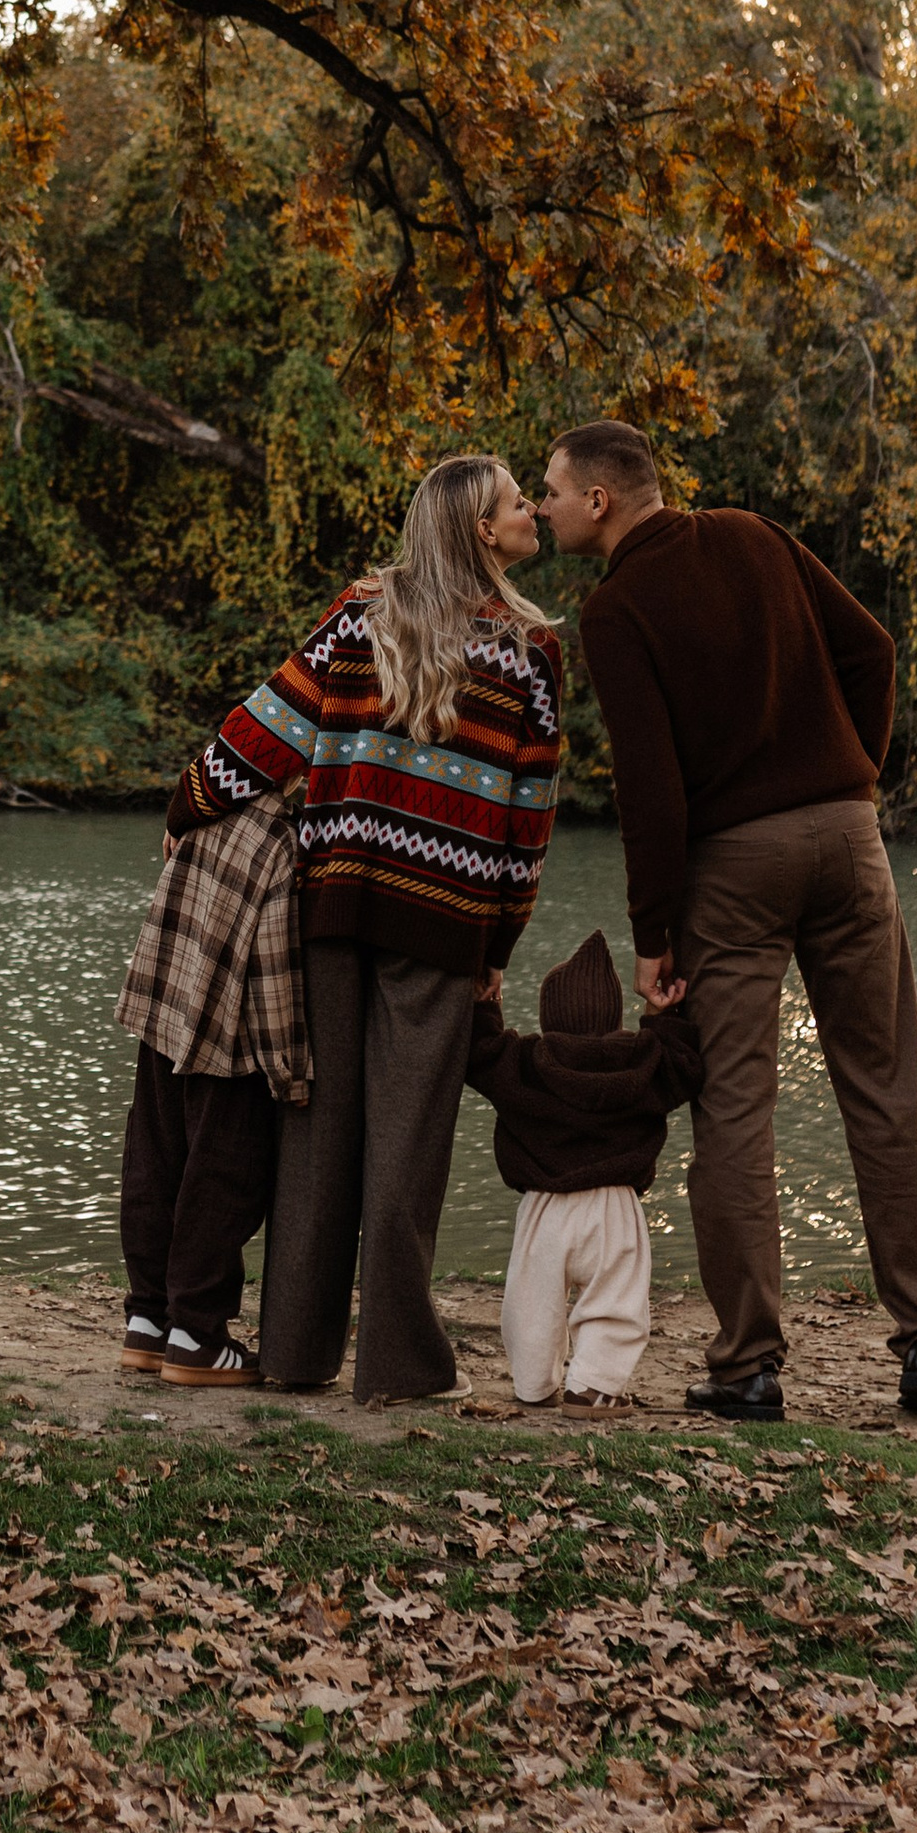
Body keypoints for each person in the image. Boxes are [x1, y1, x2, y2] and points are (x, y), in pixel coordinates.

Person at [537, 418, 917, 1426]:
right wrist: (853, 775)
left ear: (600, 499)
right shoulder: (756, 535)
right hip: (849, 839)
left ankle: (749, 1366)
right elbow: (873, 650)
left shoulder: (617, 608)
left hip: (733, 864)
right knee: (887, 1091)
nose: (540, 503)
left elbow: (650, 790)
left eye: (548, 488)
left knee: (732, 1109)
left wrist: (652, 934)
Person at [166, 454, 562, 1403]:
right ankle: (398, 1367)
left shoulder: (361, 611)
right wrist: (498, 944)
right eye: (517, 503)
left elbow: (271, 725)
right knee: (409, 1144)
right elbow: (529, 812)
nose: (530, 514)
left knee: (318, 1136)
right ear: (479, 529)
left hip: (332, 905)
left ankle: (295, 1358)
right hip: (445, 916)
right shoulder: (531, 650)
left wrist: (189, 801)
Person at [465, 924, 704, 1417]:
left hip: (544, 1208)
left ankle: (533, 1382)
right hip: (613, 1209)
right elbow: (685, 1067)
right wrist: (662, 1016)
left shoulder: (526, 1061)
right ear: (613, 1015)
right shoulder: (641, 1062)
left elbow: (480, 1057)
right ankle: (592, 1388)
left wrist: (487, 1004)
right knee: (617, 1303)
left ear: (551, 1014)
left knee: (531, 1304)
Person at [115, 793, 310, 1387]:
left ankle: (147, 1322)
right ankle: (196, 1337)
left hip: (163, 1009)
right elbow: (274, 964)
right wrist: (290, 1069)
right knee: (223, 1180)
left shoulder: (201, 813)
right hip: (230, 1033)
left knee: (154, 1162)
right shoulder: (281, 841)